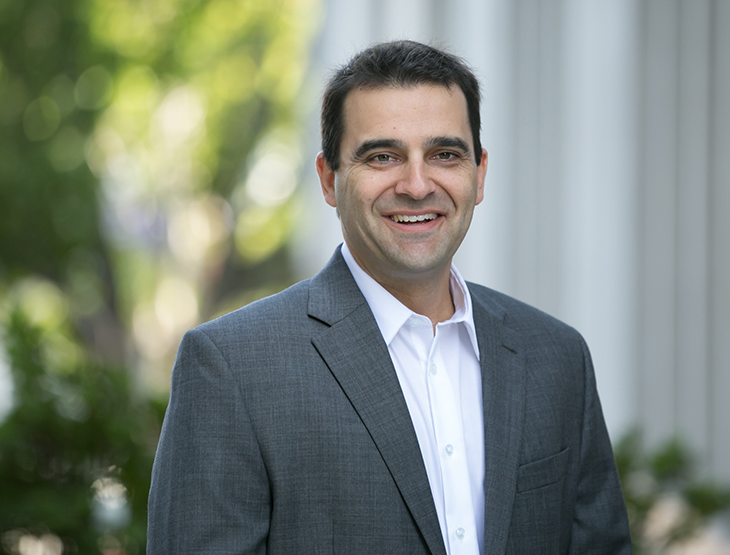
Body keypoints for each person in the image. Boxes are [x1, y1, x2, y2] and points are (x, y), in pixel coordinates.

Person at [147, 40, 631, 555]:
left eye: (445, 154)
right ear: (330, 180)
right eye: (383, 156)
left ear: (479, 173)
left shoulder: (556, 357)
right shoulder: (233, 369)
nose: (418, 185)